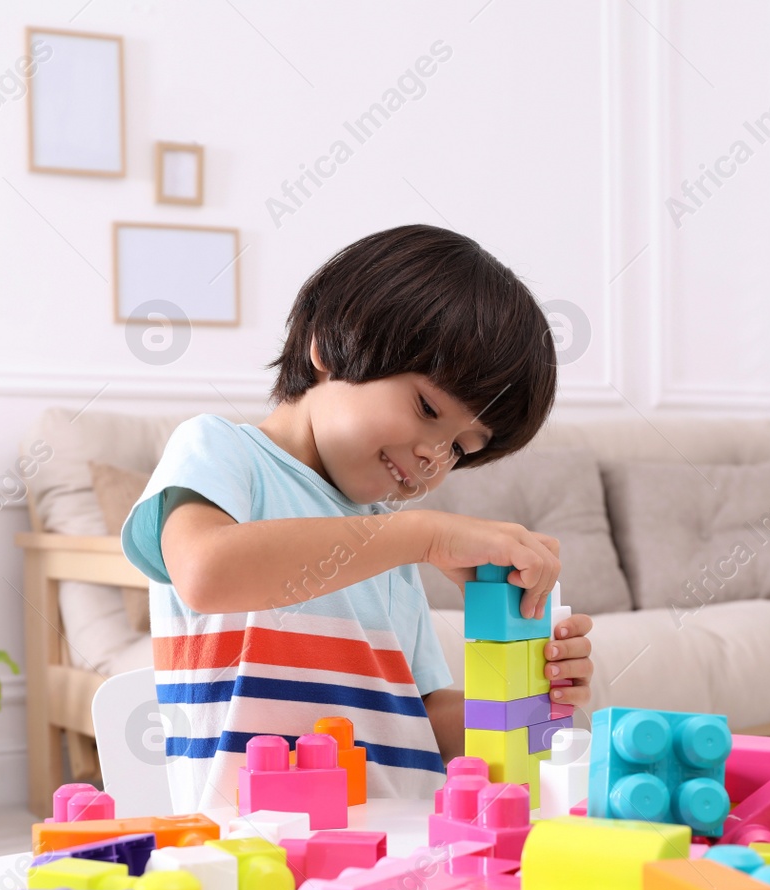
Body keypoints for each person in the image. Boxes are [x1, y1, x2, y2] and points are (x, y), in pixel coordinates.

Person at [122, 223, 595, 813]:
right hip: (255, 848)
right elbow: (206, 572)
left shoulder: (389, 544)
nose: (434, 456)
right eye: (427, 408)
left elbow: (416, 719)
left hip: (402, 849)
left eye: (461, 449)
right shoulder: (221, 453)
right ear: (329, 346)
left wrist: (529, 698)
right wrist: (421, 535)